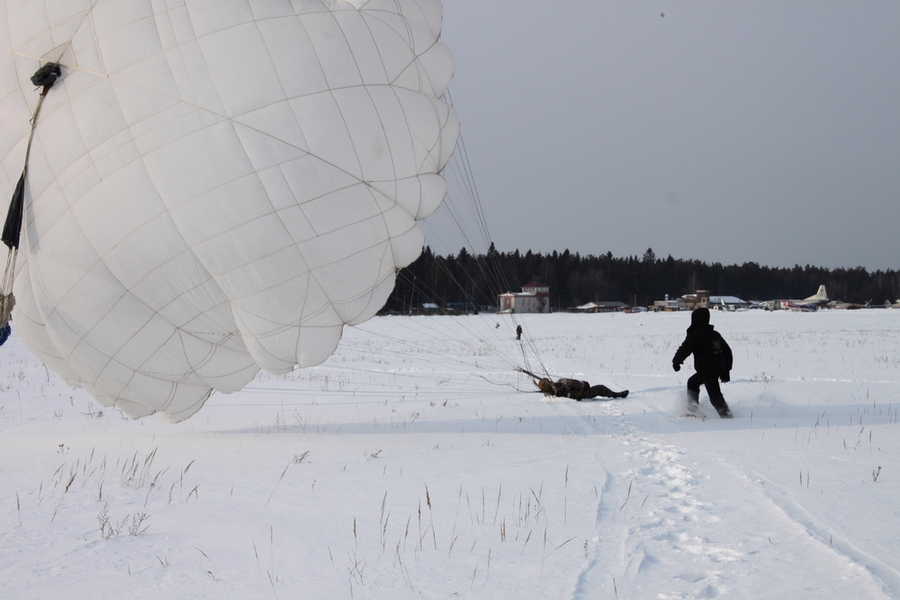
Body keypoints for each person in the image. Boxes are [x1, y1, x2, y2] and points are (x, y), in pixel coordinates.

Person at [672, 307, 733, 418]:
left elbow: (684, 349)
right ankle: (692, 410)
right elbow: (727, 351)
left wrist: (676, 362)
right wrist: (726, 370)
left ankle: (727, 417)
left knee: (715, 396)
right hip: (718, 367)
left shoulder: (696, 334)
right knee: (693, 382)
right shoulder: (714, 334)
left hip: (707, 369)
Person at [537, 377, 629, 401]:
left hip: (581, 388)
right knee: (601, 388)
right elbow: (574, 396)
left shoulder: (557, 386)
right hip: (584, 393)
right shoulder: (559, 391)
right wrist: (582, 389)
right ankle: (616, 395)